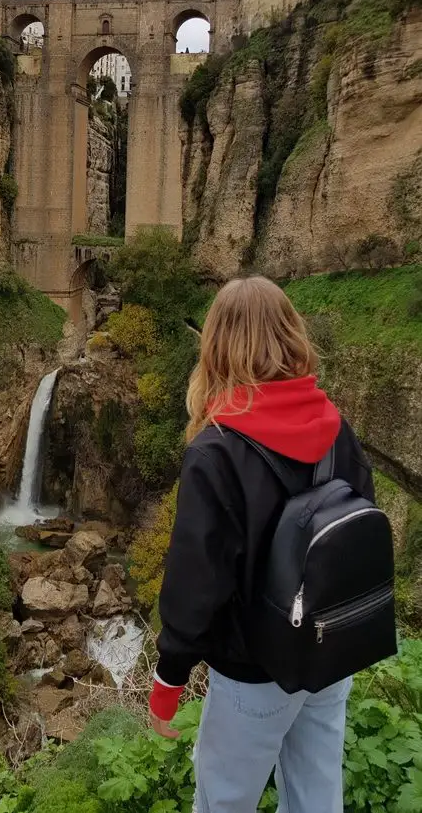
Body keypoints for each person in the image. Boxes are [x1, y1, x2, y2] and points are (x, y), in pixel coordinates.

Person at [148, 276, 375, 813]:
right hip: (326, 651)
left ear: (217, 346)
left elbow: (196, 583)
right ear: (291, 334)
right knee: (318, 794)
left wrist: (168, 679)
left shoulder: (217, 450)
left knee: (223, 801)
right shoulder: (335, 426)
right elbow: (360, 519)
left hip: (255, 670)